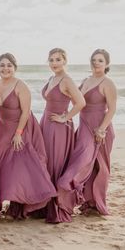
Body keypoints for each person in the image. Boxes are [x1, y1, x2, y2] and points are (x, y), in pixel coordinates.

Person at [0, 53, 56, 219]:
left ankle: (24, 205)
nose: (5, 68)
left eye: (9, 65)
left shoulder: (21, 86)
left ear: (15, 68)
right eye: (2, 65)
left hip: (22, 127)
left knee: (21, 166)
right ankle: (9, 202)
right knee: (4, 164)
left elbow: (26, 112)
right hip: (3, 128)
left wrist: (19, 133)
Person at [56, 49, 117, 218]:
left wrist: (102, 129)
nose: (96, 63)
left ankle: (97, 204)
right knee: (81, 161)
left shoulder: (108, 83)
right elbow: (76, 99)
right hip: (84, 127)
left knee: (100, 168)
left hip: (100, 129)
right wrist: (64, 115)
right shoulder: (85, 81)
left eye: (100, 61)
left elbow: (112, 109)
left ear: (106, 64)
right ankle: (80, 199)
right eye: (94, 60)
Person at [40, 48, 86, 223]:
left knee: (55, 162)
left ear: (65, 61)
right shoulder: (52, 78)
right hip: (46, 122)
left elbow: (81, 102)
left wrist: (65, 117)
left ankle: (56, 205)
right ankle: (45, 203)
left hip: (58, 127)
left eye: (58, 59)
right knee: (46, 161)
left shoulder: (67, 80)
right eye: (51, 60)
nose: (54, 63)